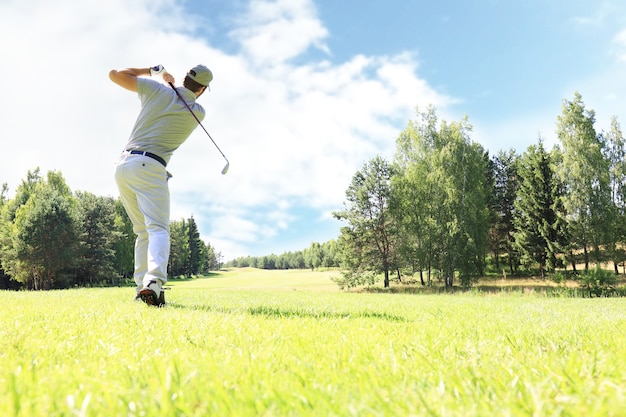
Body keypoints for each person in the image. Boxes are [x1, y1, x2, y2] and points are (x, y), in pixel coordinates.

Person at [109, 64, 212, 306]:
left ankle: (141, 289)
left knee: (142, 231)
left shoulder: (156, 89)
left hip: (123, 166)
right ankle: (153, 282)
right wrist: (169, 86)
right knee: (157, 229)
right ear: (203, 90)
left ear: (185, 77)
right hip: (150, 166)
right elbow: (183, 98)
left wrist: (155, 72)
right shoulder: (198, 111)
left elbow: (115, 74)